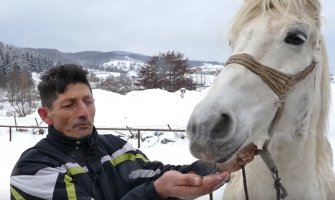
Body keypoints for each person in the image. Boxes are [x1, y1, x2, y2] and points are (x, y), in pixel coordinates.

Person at [10, 64, 250, 200]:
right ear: (45, 115)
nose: (84, 112)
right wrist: (156, 191)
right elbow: (157, 185)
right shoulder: (33, 171)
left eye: (88, 101)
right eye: (69, 104)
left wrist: (219, 165)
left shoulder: (116, 148)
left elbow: (160, 175)